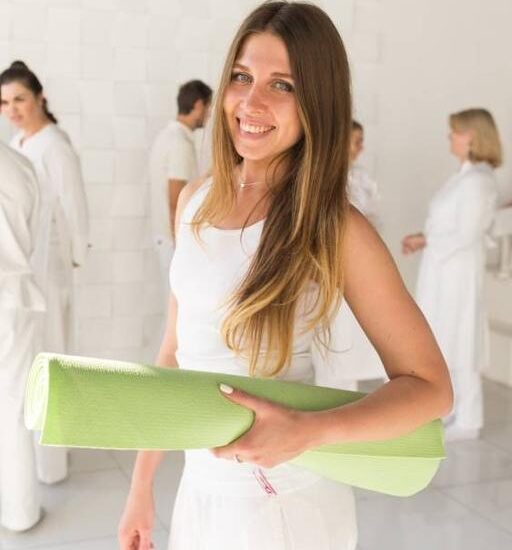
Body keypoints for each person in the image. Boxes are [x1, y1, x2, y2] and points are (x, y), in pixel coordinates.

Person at [119, 3, 452, 549]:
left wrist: (313, 430)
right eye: (242, 77)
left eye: (283, 86)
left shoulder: (335, 227)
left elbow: (431, 387)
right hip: (201, 491)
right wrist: (141, 484)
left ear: (317, 103)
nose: (251, 102)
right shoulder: (196, 201)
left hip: (282, 509)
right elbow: (174, 352)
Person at [0, 60, 89, 484]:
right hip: (25, 270)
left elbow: (74, 204)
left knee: (51, 359)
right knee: (30, 366)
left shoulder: (54, 143)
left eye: (19, 98)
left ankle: (52, 464)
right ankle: (33, 465)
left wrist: (73, 261)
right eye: (4, 102)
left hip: (51, 269)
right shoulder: (18, 143)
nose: (12, 109)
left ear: (39, 98)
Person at [402, 108, 502, 441]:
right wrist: (425, 239)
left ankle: (469, 420)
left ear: (472, 137)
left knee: (462, 340)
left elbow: (466, 234)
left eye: (455, 131)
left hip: (458, 275)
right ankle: (457, 412)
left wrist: (427, 240)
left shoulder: (478, 181)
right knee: (448, 339)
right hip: (446, 271)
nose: (450, 137)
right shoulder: (466, 177)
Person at [313, 119, 384, 390]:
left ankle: (347, 399)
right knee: (330, 338)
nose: (360, 147)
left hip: (357, 268)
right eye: (356, 141)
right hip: (327, 270)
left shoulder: (363, 178)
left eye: (362, 141)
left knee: (352, 335)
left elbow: (373, 218)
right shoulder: (324, 177)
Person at [0, 142, 45, 531]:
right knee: (13, 406)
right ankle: (20, 513)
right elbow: (33, 232)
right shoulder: (20, 166)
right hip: (11, 299)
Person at [149, 79, 212, 285]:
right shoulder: (180, 143)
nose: (209, 115)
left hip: (163, 236)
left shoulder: (167, 136)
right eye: (209, 107)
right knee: (175, 312)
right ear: (199, 105)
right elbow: (175, 199)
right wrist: (182, 247)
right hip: (172, 240)